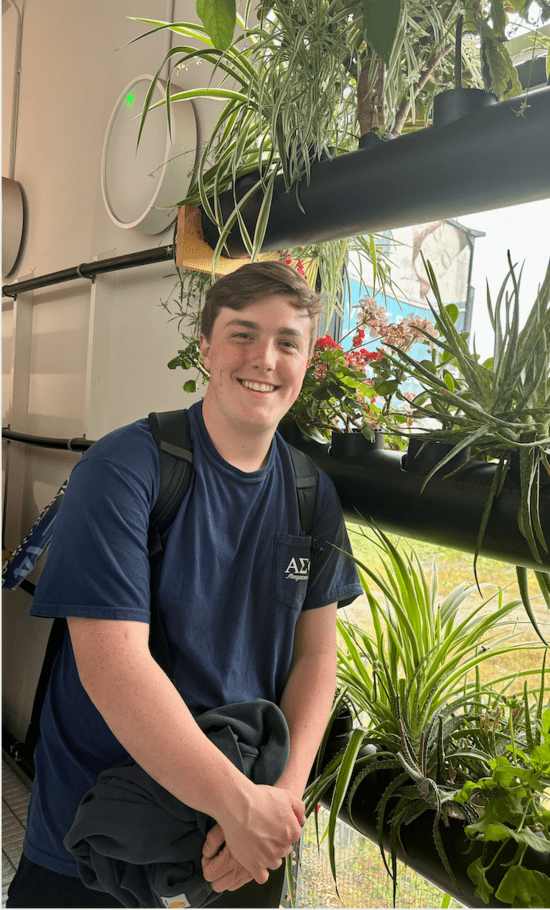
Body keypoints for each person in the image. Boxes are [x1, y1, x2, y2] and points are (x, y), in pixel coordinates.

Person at [7, 261, 363, 908]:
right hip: (103, 842)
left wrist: (276, 801)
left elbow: (317, 655)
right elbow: (113, 666)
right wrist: (241, 808)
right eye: (242, 333)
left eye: (288, 341)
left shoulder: (312, 494)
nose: (264, 357)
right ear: (204, 347)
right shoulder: (124, 470)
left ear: (308, 361)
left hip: (239, 839)